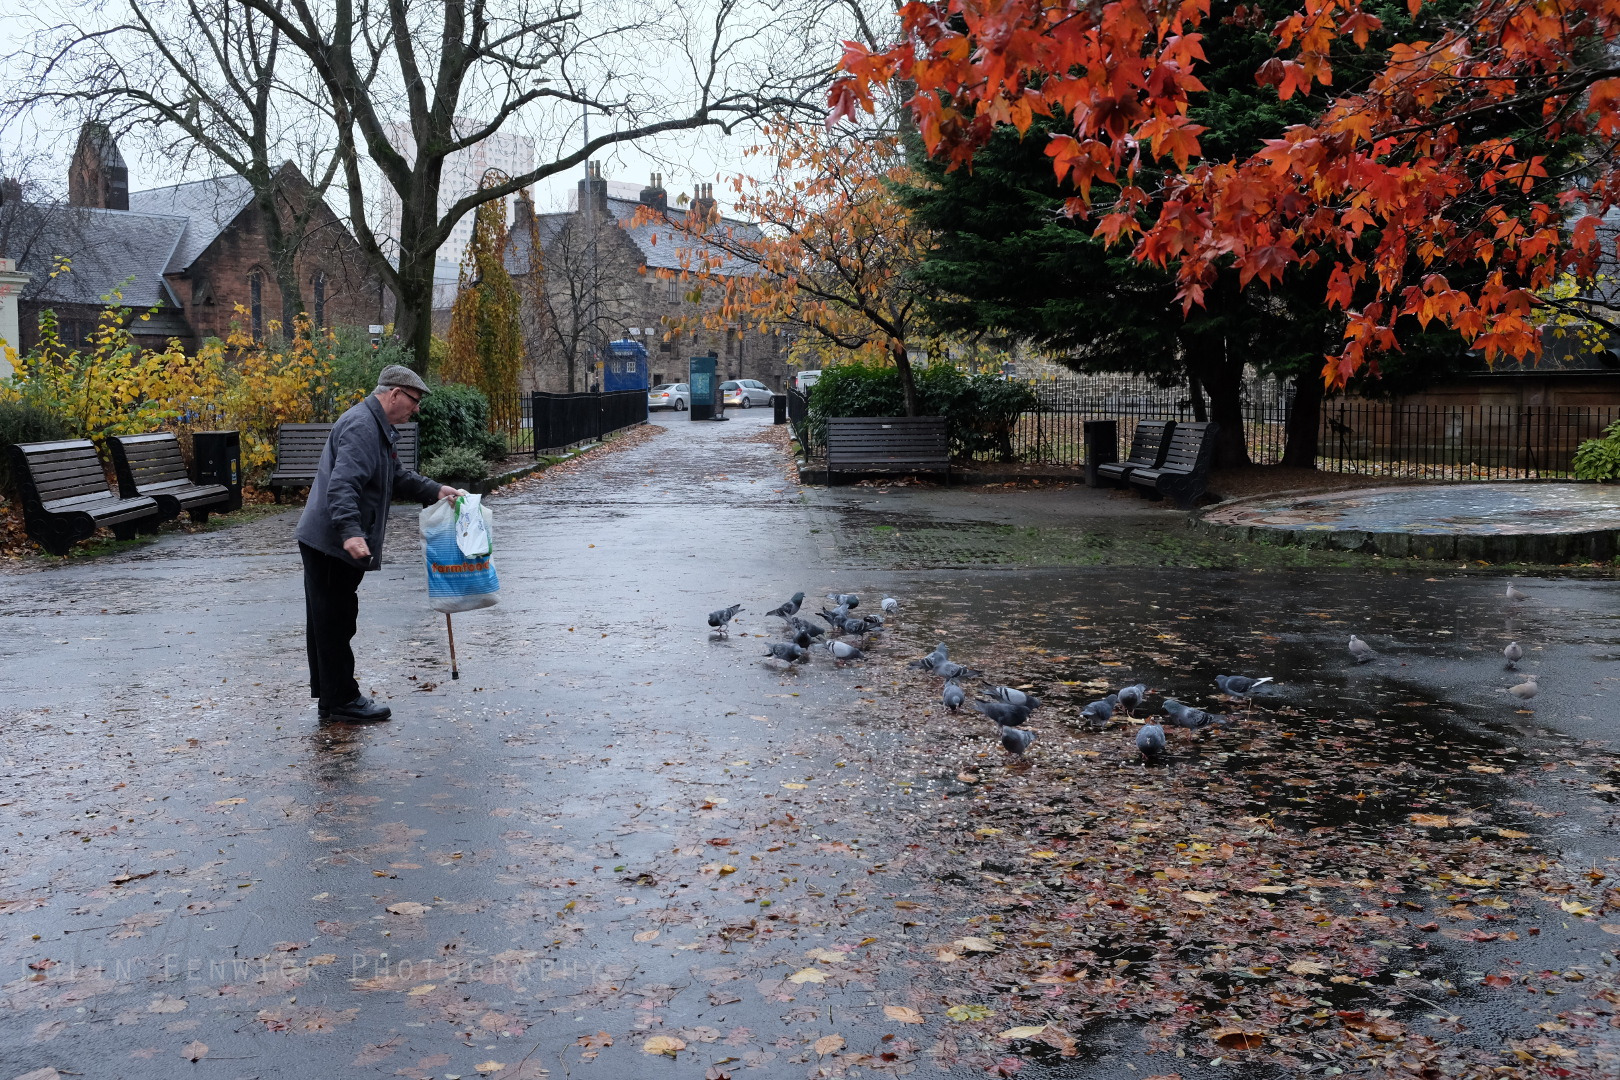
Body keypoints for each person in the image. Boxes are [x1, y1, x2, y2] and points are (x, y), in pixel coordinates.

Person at [295, 366, 463, 722]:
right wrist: (351, 533)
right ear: (395, 394)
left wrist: (435, 490)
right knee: (335, 623)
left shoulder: (375, 427)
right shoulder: (362, 427)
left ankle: (332, 697)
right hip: (331, 542)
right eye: (415, 401)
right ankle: (342, 701)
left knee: (331, 621)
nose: (416, 409)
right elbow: (342, 486)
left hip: (330, 539)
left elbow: (395, 474)